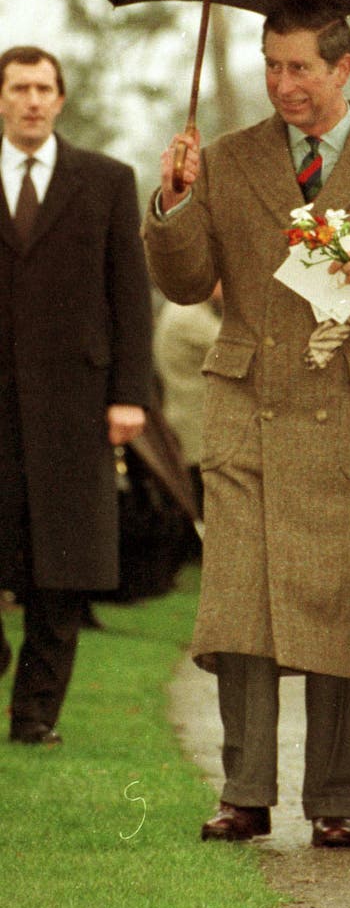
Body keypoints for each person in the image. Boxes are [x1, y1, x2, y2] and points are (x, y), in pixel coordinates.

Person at [144, 0, 350, 847]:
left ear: (343, 68)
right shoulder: (223, 158)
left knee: (342, 614)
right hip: (250, 407)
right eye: (271, 65)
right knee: (241, 611)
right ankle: (245, 792)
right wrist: (174, 203)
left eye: (301, 68)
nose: (284, 84)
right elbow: (184, 282)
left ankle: (335, 802)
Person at [0, 45, 153, 745]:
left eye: (43, 88)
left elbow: (130, 294)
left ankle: (35, 713)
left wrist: (130, 395)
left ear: (60, 98)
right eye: (19, 88)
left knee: (61, 563)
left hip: (76, 401)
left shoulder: (106, 180)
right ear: (1, 98)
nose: (32, 100)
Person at [153, 282, 223, 515]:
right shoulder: (189, 315)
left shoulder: (185, 310)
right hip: (198, 431)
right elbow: (231, 348)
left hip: (191, 426)